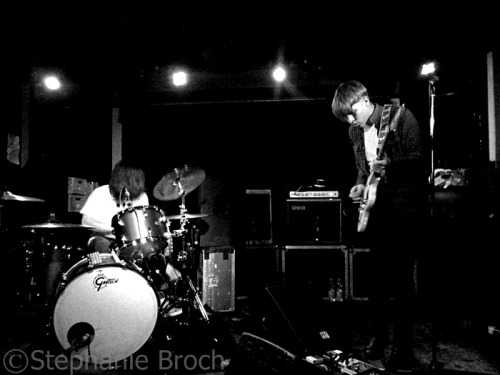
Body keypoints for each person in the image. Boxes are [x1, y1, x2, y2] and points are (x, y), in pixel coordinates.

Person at [331, 80, 430, 371]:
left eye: (351, 113)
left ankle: (403, 346)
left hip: (405, 208)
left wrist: (392, 165)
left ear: (364, 100)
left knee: (401, 281)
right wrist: (359, 187)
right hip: (377, 211)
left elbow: (419, 161)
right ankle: (378, 336)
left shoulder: (400, 117)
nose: (350, 121)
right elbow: (363, 170)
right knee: (376, 279)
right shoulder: (354, 131)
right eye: (345, 118)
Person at [80, 159, 180, 286]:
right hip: (103, 237)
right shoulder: (100, 193)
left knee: (152, 251)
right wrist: (113, 230)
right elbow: (86, 221)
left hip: (130, 242)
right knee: (103, 246)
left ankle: (159, 282)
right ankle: (111, 285)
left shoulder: (142, 196)